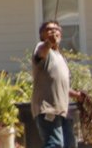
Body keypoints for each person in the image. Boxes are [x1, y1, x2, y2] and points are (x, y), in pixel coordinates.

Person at [31, 20, 81, 148]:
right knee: (55, 144)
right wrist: (48, 43)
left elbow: (59, 84)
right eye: (49, 29)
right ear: (42, 35)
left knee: (69, 144)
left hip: (62, 110)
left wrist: (77, 94)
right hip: (48, 108)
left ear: (61, 35)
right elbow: (41, 52)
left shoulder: (60, 57)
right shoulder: (42, 48)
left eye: (57, 29)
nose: (53, 31)